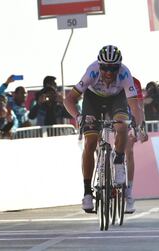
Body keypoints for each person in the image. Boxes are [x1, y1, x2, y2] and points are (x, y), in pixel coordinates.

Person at [63, 45, 144, 212]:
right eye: (105, 68)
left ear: (119, 67)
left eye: (113, 68)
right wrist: (79, 117)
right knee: (90, 142)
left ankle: (119, 161)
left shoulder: (124, 74)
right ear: (99, 66)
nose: (109, 72)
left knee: (121, 127)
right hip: (93, 100)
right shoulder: (92, 72)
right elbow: (69, 99)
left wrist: (137, 124)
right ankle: (87, 193)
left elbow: (135, 106)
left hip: (117, 99)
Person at [124, 77, 148, 213]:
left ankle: (128, 193)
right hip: (111, 112)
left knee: (129, 151)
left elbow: (140, 106)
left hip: (129, 116)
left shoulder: (135, 82)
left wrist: (142, 128)